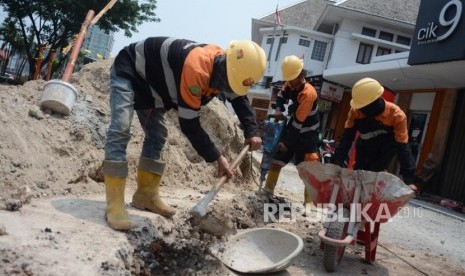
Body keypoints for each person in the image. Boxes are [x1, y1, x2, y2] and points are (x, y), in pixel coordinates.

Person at [103, 37, 267, 231]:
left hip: (154, 85)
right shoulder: (197, 69)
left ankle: (145, 195)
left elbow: (239, 99)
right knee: (121, 127)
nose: (229, 90)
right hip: (131, 70)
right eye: (230, 85)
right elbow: (189, 125)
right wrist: (218, 158)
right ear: (227, 70)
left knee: (157, 135)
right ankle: (114, 203)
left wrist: (252, 130)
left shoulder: (228, 69)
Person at [333, 77, 417, 188]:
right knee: (359, 173)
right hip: (364, 145)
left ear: (375, 101)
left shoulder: (397, 116)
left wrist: (409, 179)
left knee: (372, 175)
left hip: (384, 150)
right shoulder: (356, 111)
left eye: (363, 107)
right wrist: (336, 164)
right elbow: (347, 138)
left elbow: (403, 148)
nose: (360, 110)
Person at [260, 55, 320, 205]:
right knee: (277, 159)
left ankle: (308, 204)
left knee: (309, 169)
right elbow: (280, 96)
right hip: (292, 127)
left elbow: (299, 123)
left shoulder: (308, 93)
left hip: (308, 135)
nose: (290, 83)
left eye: (293, 79)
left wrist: (286, 142)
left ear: (301, 76)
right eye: (289, 80)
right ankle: (267, 191)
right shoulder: (290, 83)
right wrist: (279, 109)